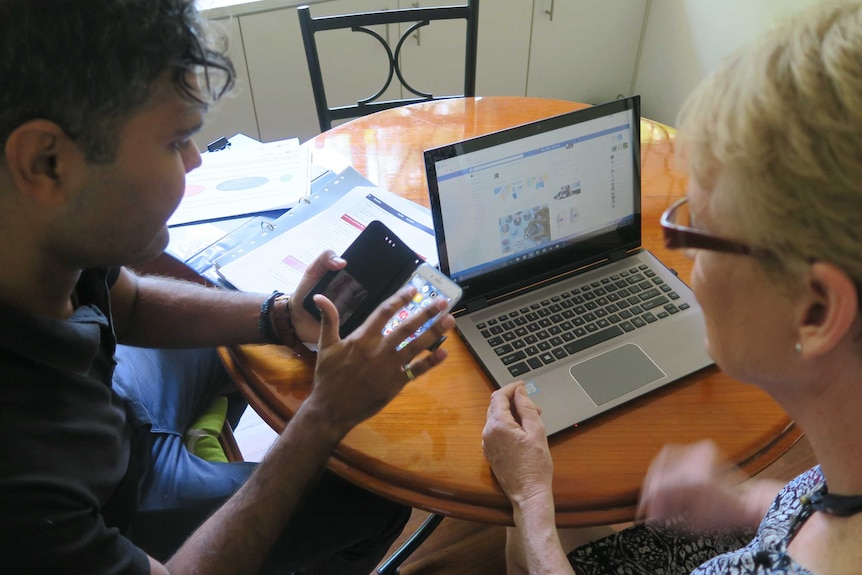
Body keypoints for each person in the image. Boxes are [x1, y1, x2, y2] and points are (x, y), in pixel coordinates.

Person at [0, 1, 455, 573]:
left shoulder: (41, 234)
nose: (194, 160)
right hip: (116, 500)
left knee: (233, 323)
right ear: (46, 162)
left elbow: (133, 305)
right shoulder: (20, 479)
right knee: (371, 496)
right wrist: (323, 418)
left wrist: (281, 316)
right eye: (175, 142)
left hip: (117, 407)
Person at [482, 1, 862, 573]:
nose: (683, 259)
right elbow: (830, 507)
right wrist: (742, 501)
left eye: (700, 232)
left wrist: (530, 500)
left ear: (816, 309)